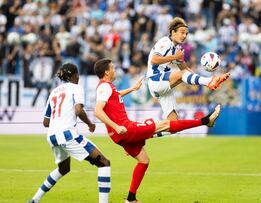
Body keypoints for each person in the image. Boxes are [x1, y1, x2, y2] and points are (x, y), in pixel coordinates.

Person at [93, 58, 221, 203]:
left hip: (120, 134)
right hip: (125, 129)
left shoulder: (108, 87)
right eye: (112, 68)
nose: (115, 69)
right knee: (166, 124)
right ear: (106, 72)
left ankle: (131, 198)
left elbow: (114, 96)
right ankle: (205, 121)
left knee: (144, 161)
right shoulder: (104, 87)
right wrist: (116, 126)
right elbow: (98, 111)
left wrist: (132, 89)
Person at [28, 63, 111, 203]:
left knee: (63, 169)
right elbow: (78, 110)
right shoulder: (76, 88)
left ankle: (34, 200)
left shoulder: (54, 92)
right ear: (75, 75)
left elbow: (45, 122)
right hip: (67, 135)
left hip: (52, 137)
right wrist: (90, 124)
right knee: (104, 162)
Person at [146, 17, 230, 120]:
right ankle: (209, 81)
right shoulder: (164, 42)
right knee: (181, 74)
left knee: (173, 124)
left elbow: (186, 71)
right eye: (182, 32)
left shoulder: (176, 49)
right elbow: (154, 60)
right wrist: (176, 57)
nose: (184, 36)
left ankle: (147, 131)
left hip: (163, 86)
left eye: (186, 33)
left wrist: (199, 79)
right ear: (173, 32)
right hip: (155, 80)